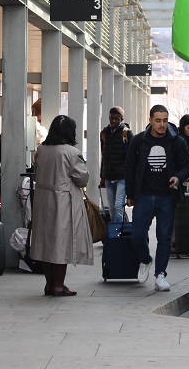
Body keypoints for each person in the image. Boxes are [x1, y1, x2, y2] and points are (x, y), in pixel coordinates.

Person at [125, 104, 189, 292]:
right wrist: (130, 194)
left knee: (164, 237)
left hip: (167, 197)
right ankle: (145, 260)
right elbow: (130, 167)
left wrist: (178, 177)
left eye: (165, 120)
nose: (162, 124)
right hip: (144, 195)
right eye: (158, 120)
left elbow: (186, 166)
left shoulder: (177, 142)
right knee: (137, 235)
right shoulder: (139, 141)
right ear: (150, 120)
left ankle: (160, 275)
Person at [29, 115, 92, 296]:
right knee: (61, 242)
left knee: (46, 242)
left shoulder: (41, 150)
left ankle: (49, 284)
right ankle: (58, 285)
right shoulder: (71, 152)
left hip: (43, 200)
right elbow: (82, 178)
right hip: (63, 201)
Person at [99, 106, 134, 222]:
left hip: (122, 176)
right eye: (111, 118)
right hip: (108, 176)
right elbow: (103, 156)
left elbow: (132, 157)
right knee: (112, 208)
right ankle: (118, 228)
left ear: (121, 119)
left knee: (118, 205)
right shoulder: (104, 133)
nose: (113, 121)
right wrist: (102, 176)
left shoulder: (127, 133)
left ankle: (117, 229)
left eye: (117, 119)